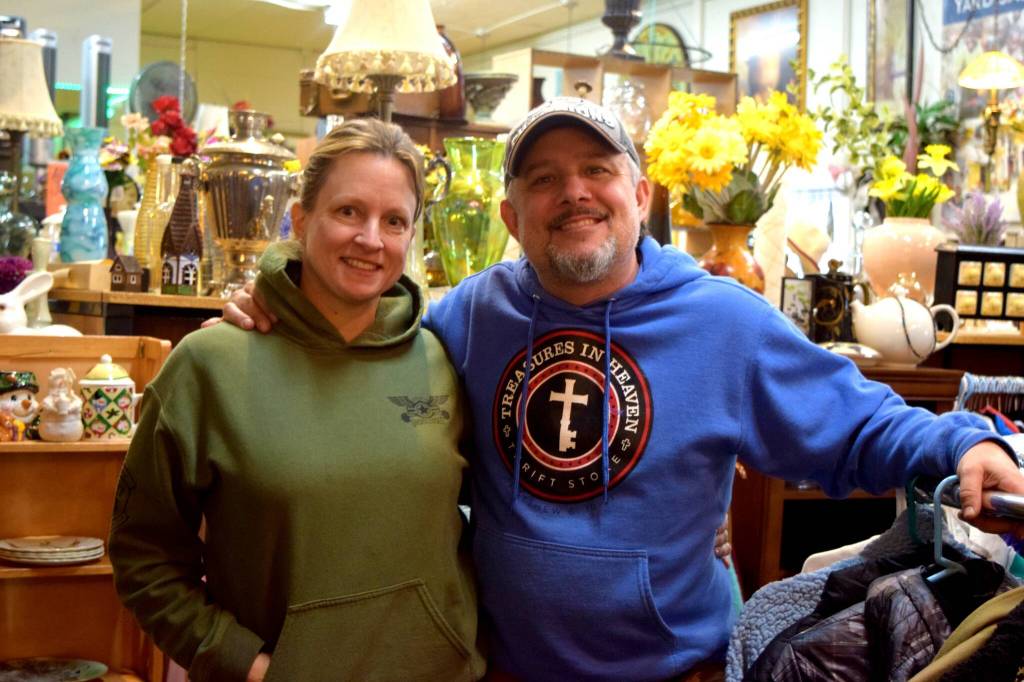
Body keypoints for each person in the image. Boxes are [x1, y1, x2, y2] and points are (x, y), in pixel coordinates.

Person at [217, 98, 1024, 681]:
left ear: (640, 196)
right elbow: (366, 334)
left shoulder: (723, 323)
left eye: (596, 170)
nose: (572, 192)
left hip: (679, 671)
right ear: (511, 213)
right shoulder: (470, 317)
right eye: (543, 178)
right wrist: (282, 303)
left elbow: (857, 427)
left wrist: (968, 442)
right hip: (500, 671)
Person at [108, 118, 486, 682]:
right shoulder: (210, 365)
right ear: (301, 218)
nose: (371, 239)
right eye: (348, 211)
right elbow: (145, 557)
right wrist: (250, 665)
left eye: (394, 221)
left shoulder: (443, 357)